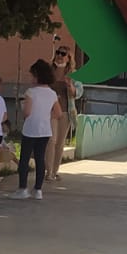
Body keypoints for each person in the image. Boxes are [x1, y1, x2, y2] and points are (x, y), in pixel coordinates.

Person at [13, 59, 61, 199]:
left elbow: (27, 112)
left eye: (32, 75)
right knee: (40, 158)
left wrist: (23, 107)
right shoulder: (52, 93)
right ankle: (38, 189)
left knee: (25, 158)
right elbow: (58, 113)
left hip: (30, 129)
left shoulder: (30, 92)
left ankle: (22, 189)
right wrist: (46, 115)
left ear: (37, 75)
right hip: (45, 130)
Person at [47, 45, 79, 183]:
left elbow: (78, 93)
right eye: (58, 53)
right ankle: (48, 172)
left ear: (68, 57)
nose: (59, 55)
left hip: (66, 111)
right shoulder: (49, 71)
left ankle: (55, 171)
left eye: (63, 53)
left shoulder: (73, 74)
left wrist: (70, 85)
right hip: (50, 111)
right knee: (51, 141)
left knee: (59, 143)